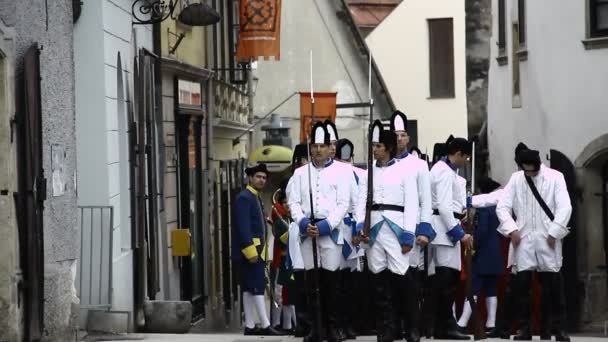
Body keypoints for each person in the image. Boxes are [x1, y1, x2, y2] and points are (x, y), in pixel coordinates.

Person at [496, 147, 572, 342]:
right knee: (521, 288)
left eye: (532, 170)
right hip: (523, 238)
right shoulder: (516, 179)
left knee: (553, 288)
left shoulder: (556, 177)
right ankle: (524, 329)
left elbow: (565, 206)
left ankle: (558, 329)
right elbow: (503, 206)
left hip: (548, 238)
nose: (529, 174)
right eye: (526, 170)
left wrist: (554, 232)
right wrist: (511, 229)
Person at [354, 120, 418, 342]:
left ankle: (410, 326)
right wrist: (358, 226)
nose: (375, 149)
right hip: (373, 229)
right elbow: (361, 201)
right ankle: (387, 327)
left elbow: (411, 204)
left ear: (388, 147)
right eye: (373, 146)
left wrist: (409, 233)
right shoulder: (367, 172)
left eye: (379, 146)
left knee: (402, 279)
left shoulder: (405, 171)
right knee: (379, 282)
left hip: (396, 228)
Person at [286, 122, 351, 342]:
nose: (319, 150)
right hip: (307, 231)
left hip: (329, 231)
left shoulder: (341, 172)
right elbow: (293, 201)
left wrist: (327, 225)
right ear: (310, 147)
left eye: (323, 146)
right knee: (311, 283)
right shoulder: (300, 174)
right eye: (315, 146)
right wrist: (303, 222)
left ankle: (333, 326)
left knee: (331, 282)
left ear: (329, 146)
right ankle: (316, 327)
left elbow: (343, 203)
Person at [390, 110, 435, 342]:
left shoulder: (418, 165)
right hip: (387, 232)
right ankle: (393, 327)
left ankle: (413, 327)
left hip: (411, 230)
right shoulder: (381, 164)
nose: (399, 139)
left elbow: (426, 200)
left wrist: (424, 230)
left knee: (410, 283)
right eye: (395, 135)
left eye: (403, 135)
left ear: (408, 139)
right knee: (389, 284)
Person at [429, 136, 474, 340]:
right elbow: (445, 208)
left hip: (447, 228)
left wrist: (462, 211)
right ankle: (445, 325)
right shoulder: (444, 172)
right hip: (444, 231)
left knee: (448, 280)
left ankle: (443, 324)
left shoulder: (445, 171)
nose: (466, 162)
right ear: (458, 154)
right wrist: (459, 234)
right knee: (446, 282)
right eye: (466, 158)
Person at [232, 163, 282, 336]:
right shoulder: (245, 197)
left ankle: (250, 325)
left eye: (263, 177)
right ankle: (265, 324)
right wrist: (251, 252)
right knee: (258, 286)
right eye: (258, 177)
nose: (261, 180)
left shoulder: (255, 197)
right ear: (250, 178)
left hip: (257, 250)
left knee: (248, 288)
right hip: (251, 251)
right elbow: (243, 227)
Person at [457, 177, 504, 335]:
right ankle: (491, 323)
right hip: (495, 253)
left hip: (483, 253)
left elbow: (482, 231)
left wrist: (472, 244)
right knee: (491, 289)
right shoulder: (499, 208)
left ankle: (462, 323)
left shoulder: (484, 209)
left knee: (474, 289)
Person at [334, 138, 367, 340]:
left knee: (351, 282)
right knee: (334, 280)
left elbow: (359, 203)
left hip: (351, 229)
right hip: (334, 229)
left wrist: (357, 229)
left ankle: (350, 323)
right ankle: (336, 324)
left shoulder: (360, 174)